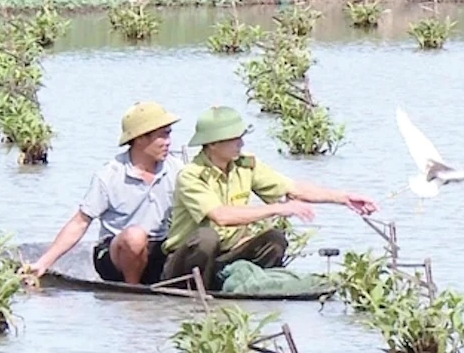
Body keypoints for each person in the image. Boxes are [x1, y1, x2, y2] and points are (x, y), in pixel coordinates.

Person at [160, 106, 379, 290]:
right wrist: (276, 209)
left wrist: (343, 198)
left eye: (241, 137)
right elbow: (221, 216)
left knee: (274, 238)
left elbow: (292, 189)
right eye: (234, 139)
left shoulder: (245, 164)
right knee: (207, 238)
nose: (241, 144)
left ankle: (241, 288)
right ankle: (194, 291)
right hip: (185, 264)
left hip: (225, 255)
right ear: (212, 144)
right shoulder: (191, 175)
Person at [25, 101, 184, 285]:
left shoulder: (177, 169)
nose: (168, 142)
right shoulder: (110, 176)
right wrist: (44, 263)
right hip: (116, 254)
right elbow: (80, 223)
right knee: (135, 237)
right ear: (140, 138)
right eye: (162, 136)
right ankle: (132, 291)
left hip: (159, 248)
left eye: (169, 135)